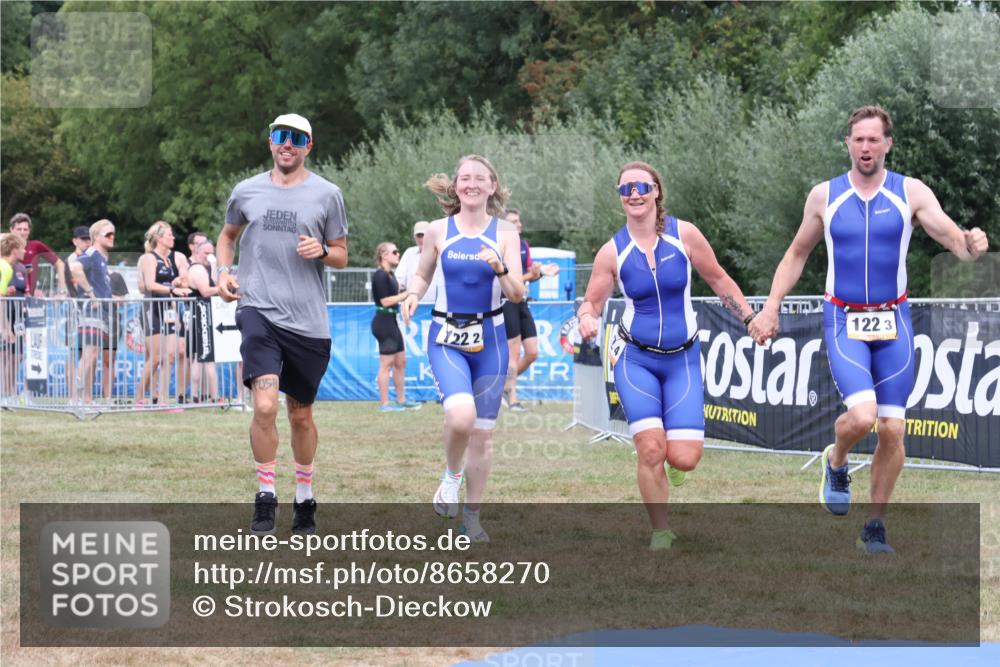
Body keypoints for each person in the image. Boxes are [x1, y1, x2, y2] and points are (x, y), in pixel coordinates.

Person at [754, 105, 989, 554]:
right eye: (858, 139)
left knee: (893, 430)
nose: (866, 147)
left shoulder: (911, 192)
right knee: (862, 419)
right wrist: (771, 308)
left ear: (888, 144)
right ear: (847, 143)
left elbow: (954, 241)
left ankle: (875, 526)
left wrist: (972, 245)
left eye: (873, 140)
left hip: (894, 319)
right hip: (844, 318)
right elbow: (797, 254)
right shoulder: (825, 196)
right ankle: (836, 460)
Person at [577, 161, 766, 551]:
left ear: (656, 191)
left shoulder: (685, 235)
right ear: (620, 198)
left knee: (684, 458)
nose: (634, 194)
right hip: (636, 360)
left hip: (682, 360)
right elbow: (592, 303)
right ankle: (660, 530)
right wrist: (586, 319)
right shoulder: (612, 251)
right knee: (650, 448)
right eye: (625, 189)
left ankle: (675, 467)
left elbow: (718, 279)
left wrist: (749, 316)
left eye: (641, 186)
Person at [216, 113, 348, 536]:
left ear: (309, 145)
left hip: (308, 322)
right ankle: (266, 496)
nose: (286, 144)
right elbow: (227, 236)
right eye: (279, 136)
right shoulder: (246, 190)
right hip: (258, 309)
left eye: (296, 138)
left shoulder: (327, 194)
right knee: (265, 405)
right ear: (270, 141)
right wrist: (222, 272)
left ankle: (305, 498)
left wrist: (322, 251)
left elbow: (342, 253)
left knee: (301, 415)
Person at [401, 154, 526, 542]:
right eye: (464, 179)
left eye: (480, 178)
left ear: (492, 186)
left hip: (491, 339)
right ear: (455, 187)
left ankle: (472, 519)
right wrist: (412, 294)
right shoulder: (439, 230)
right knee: (460, 418)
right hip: (446, 335)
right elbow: (423, 273)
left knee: (482, 437)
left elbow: (518, 294)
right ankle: (451, 477)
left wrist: (501, 269)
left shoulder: (505, 233)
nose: (471, 184)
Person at [500, 207, 560, 411]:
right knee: (513, 353)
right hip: (505, 301)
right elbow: (506, 280)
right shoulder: (499, 246)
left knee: (533, 353)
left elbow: (527, 275)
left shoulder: (524, 245)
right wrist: (532, 275)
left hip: (522, 301)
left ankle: (502, 386)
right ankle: (513, 398)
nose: (518, 225)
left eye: (518, 221)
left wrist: (542, 272)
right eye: (513, 222)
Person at [136, 221, 191, 407]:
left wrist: (177, 283)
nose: (173, 238)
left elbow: (183, 282)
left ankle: (163, 400)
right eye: (169, 235)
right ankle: (138, 398)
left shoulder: (172, 259)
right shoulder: (149, 258)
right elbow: (149, 285)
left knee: (170, 356)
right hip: (152, 309)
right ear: (159, 238)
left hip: (169, 309)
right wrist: (171, 289)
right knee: (156, 358)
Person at [68, 219, 118, 403]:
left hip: (100, 313)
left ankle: (84, 399)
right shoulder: (92, 253)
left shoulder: (101, 257)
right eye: (108, 234)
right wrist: (90, 293)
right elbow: (74, 267)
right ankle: (75, 398)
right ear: (96, 237)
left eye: (113, 234)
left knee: (92, 355)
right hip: (91, 312)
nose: (112, 237)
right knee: (88, 355)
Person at [371, 241, 421, 412]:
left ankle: (401, 399)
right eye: (394, 252)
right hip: (383, 321)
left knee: (401, 361)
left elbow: (396, 298)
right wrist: (407, 294)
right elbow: (385, 301)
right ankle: (384, 404)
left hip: (392, 320)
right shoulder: (379, 275)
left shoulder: (390, 275)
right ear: (383, 255)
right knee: (386, 363)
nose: (398, 254)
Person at [187, 237, 220, 404]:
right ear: (198, 252)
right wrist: (222, 289)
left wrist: (213, 265)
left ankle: (195, 395)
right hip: (200, 314)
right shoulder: (198, 269)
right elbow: (206, 291)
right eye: (206, 253)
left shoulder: (204, 268)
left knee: (199, 358)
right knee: (206, 358)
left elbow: (212, 282)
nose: (209, 256)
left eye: (211, 253)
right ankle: (213, 397)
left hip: (202, 314)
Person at [8, 212, 67, 297]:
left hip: (30, 298)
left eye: (25, 229)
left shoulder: (36, 245)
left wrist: (62, 292)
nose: (22, 232)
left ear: (29, 231)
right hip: (8, 297)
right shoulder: (4, 247)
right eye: (19, 229)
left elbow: (60, 264)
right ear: (11, 230)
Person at [64, 226, 93, 400]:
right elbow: (73, 287)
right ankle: (73, 396)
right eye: (83, 239)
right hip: (75, 311)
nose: (86, 242)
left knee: (88, 354)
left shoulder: (89, 258)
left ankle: (86, 396)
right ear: (74, 240)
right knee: (74, 354)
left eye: (88, 238)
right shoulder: (73, 260)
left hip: (86, 311)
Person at [0, 233, 28, 397]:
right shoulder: (5, 267)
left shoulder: (8, 267)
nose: (25, 251)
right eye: (22, 248)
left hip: (14, 316)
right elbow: (1, 301)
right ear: (14, 250)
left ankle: (7, 394)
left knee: (14, 354)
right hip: (5, 316)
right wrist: (4, 327)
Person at [395, 220, 443, 303]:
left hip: (437, 305)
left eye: (424, 235)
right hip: (414, 305)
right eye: (419, 235)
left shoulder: (441, 252)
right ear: (414, 237)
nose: (422, 239)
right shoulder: (409, 254)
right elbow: (399, 280)